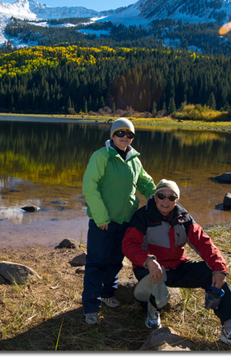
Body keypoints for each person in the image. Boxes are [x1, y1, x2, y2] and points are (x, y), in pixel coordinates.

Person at [122, 179, 231, 351]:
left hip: (178, 267)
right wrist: (149, 260)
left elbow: (204, 243)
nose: (166, 201)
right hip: (151, 268)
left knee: (212, 273)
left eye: (171, 197)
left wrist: (219, 268)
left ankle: (230, 328)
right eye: (162, 195)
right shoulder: (142, 216)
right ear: (155, 197)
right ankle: (152, 310)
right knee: (155, 287)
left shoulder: (183, 218)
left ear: (177, 200)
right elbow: (129, 245)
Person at [81, 117, 156, 325]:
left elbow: (146, 184)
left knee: (115, 261)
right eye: (120, 133)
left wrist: (161, 199)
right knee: (96, 263)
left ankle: (107, 293)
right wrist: (101, 216)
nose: (125, 137)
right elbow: (90, 187)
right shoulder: (101, 156)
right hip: (102, 222)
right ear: (112, 135)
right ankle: (91, 306)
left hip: (126, 222)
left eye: (129, 134)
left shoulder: (134, 160)